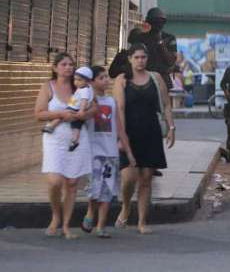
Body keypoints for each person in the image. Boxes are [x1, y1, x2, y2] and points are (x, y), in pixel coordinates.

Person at [113, 44, 175, 234]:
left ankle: (141, 221)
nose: (140, 61)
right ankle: (125, 207)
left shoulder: (155, 78)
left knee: (146, 178)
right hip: (129, 134)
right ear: (130, 59)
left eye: (143, 57)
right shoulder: (122, 80)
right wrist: (122, 137)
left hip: (151, 133)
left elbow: (165, 105)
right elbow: (120, 109)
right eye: (137, 57)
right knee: (129, 178)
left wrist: (171, 127)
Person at [34, 53, 97, 239]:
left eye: (71, 64)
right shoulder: (48, 87)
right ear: (55, 68)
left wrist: (82, 115)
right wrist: (61, 114)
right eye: (64, 64)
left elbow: (94, 108)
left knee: (71, 183)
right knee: (55, 181)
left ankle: (67, 226)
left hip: (76, 138)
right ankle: (55, 216)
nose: (68, 68)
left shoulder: (80, 85)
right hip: (54, 139)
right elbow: (38, 114)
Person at [80, 66, 136, 238]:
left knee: (108, 190)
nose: (106, 80)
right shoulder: (86, 100)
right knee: (94, 188)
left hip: (111, 153)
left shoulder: (111, 102)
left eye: (106, 77)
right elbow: (79, 118)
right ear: (92, 81)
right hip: (93, 152)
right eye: (101, 77)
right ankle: (90, 212)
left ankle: (101, 226)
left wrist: (129, 152)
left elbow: (120, 129)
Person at [42, 66, 94, 152]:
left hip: (75, 108)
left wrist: (81, 110)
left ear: (87, 81)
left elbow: (84, 101)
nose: (76, 82)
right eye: (75, 79)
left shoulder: (84, 90)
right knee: (76, 127)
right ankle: (74, 140)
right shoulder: (84, 88)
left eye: (79, 80)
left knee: (62, 115)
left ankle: (51, 126)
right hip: (77, 109)